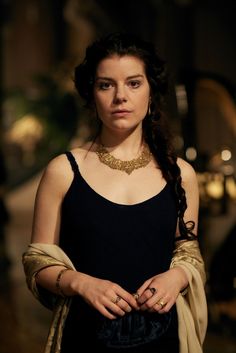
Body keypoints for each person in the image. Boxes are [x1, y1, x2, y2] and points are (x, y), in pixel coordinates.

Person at [22, 32, 207, 353]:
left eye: (134, 83)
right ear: (92, 94)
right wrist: (81, 283)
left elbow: (189, 254)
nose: (120, 96)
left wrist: (177, 277)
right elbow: (37, 262)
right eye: (106, 85)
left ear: (151, 92)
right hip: (85, 337)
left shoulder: (180, 174)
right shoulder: (64, 170)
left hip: (165, 338)